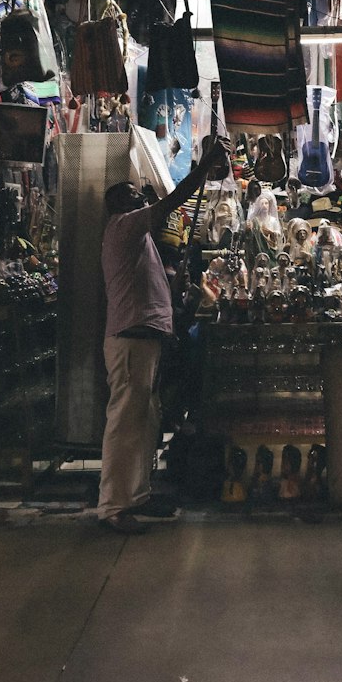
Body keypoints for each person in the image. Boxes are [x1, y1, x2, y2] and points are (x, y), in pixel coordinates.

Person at [97, 136, 229, 533]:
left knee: (144, 421)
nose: (141, 200)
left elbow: (153, 292)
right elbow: (170, 204)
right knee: (124, 421)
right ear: (118, 205)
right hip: (130, 340)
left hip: (147, 338)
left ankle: (136, 495)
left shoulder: (141, 241)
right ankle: (113, 507)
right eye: (133, 195)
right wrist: (203, 169)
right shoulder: (123, 227)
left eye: (141, 196)